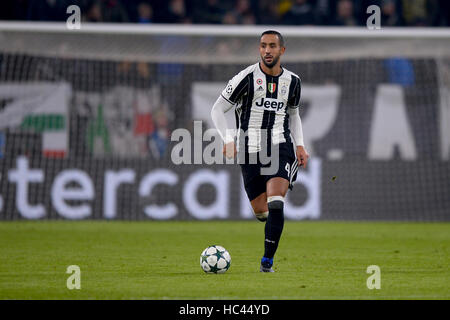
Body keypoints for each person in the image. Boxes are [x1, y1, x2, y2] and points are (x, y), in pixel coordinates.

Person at [210, 30, 309, 272]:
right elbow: (217, 109)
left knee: (276, 202)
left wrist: (299, 144)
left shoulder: (293, 82)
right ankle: (269, 227)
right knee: (262, 212)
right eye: (263, 45)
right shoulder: (245, 77)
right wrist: (228, 138)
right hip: (249, 149)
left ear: (281, 51)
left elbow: (294, 114)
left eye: (272, 46)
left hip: (280, 146)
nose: (267, 50)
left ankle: (267, 262)